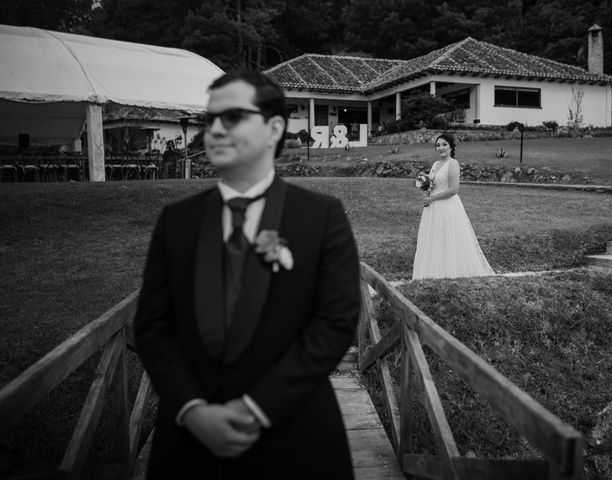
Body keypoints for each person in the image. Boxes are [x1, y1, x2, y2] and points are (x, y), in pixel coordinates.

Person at [134, 70, 361, 479]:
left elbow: (336, 321)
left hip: (295, 436)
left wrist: (259, 406)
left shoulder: (321, 216)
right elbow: (152, 327)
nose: (215, 130)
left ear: (274, 127)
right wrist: (192, 409)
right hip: (189, 446)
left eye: (233, 117)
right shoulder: (177, 222)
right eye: (210, 120)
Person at [412, 132, 494, 279]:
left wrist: (433, 198)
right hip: (433, 207)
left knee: (449, 237)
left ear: (451, 147)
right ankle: (431, 272)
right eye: (438, 145)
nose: (441, 148)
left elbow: (454, 189)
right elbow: (432, 184)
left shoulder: (453, 164)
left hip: (448, 206)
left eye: (444, 144)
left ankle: (450, 272)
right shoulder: (435, 164)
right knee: (435, 237)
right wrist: (425, 189)